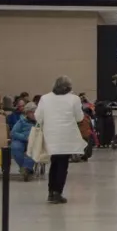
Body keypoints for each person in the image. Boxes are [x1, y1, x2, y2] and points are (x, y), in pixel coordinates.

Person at [36, 76, 87, 204]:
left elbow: (38, 116)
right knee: (62, 165)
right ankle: (57, 192)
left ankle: (51, 192)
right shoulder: (74, 99)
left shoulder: (45, 98)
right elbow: (79, 118)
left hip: (51, 136)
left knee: (54, 163)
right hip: (66, 137)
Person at [10, 102, 38, 179]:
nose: (33, 114)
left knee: (34, 148)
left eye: (35, 112)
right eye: (31, 112)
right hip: (21, 140)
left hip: (34, 141)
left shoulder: (40, 122)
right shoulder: (21, 121)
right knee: (15, 147)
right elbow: (13, 133)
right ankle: (26, 169)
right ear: (27, 113)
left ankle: (26, 169)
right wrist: (25, 137)